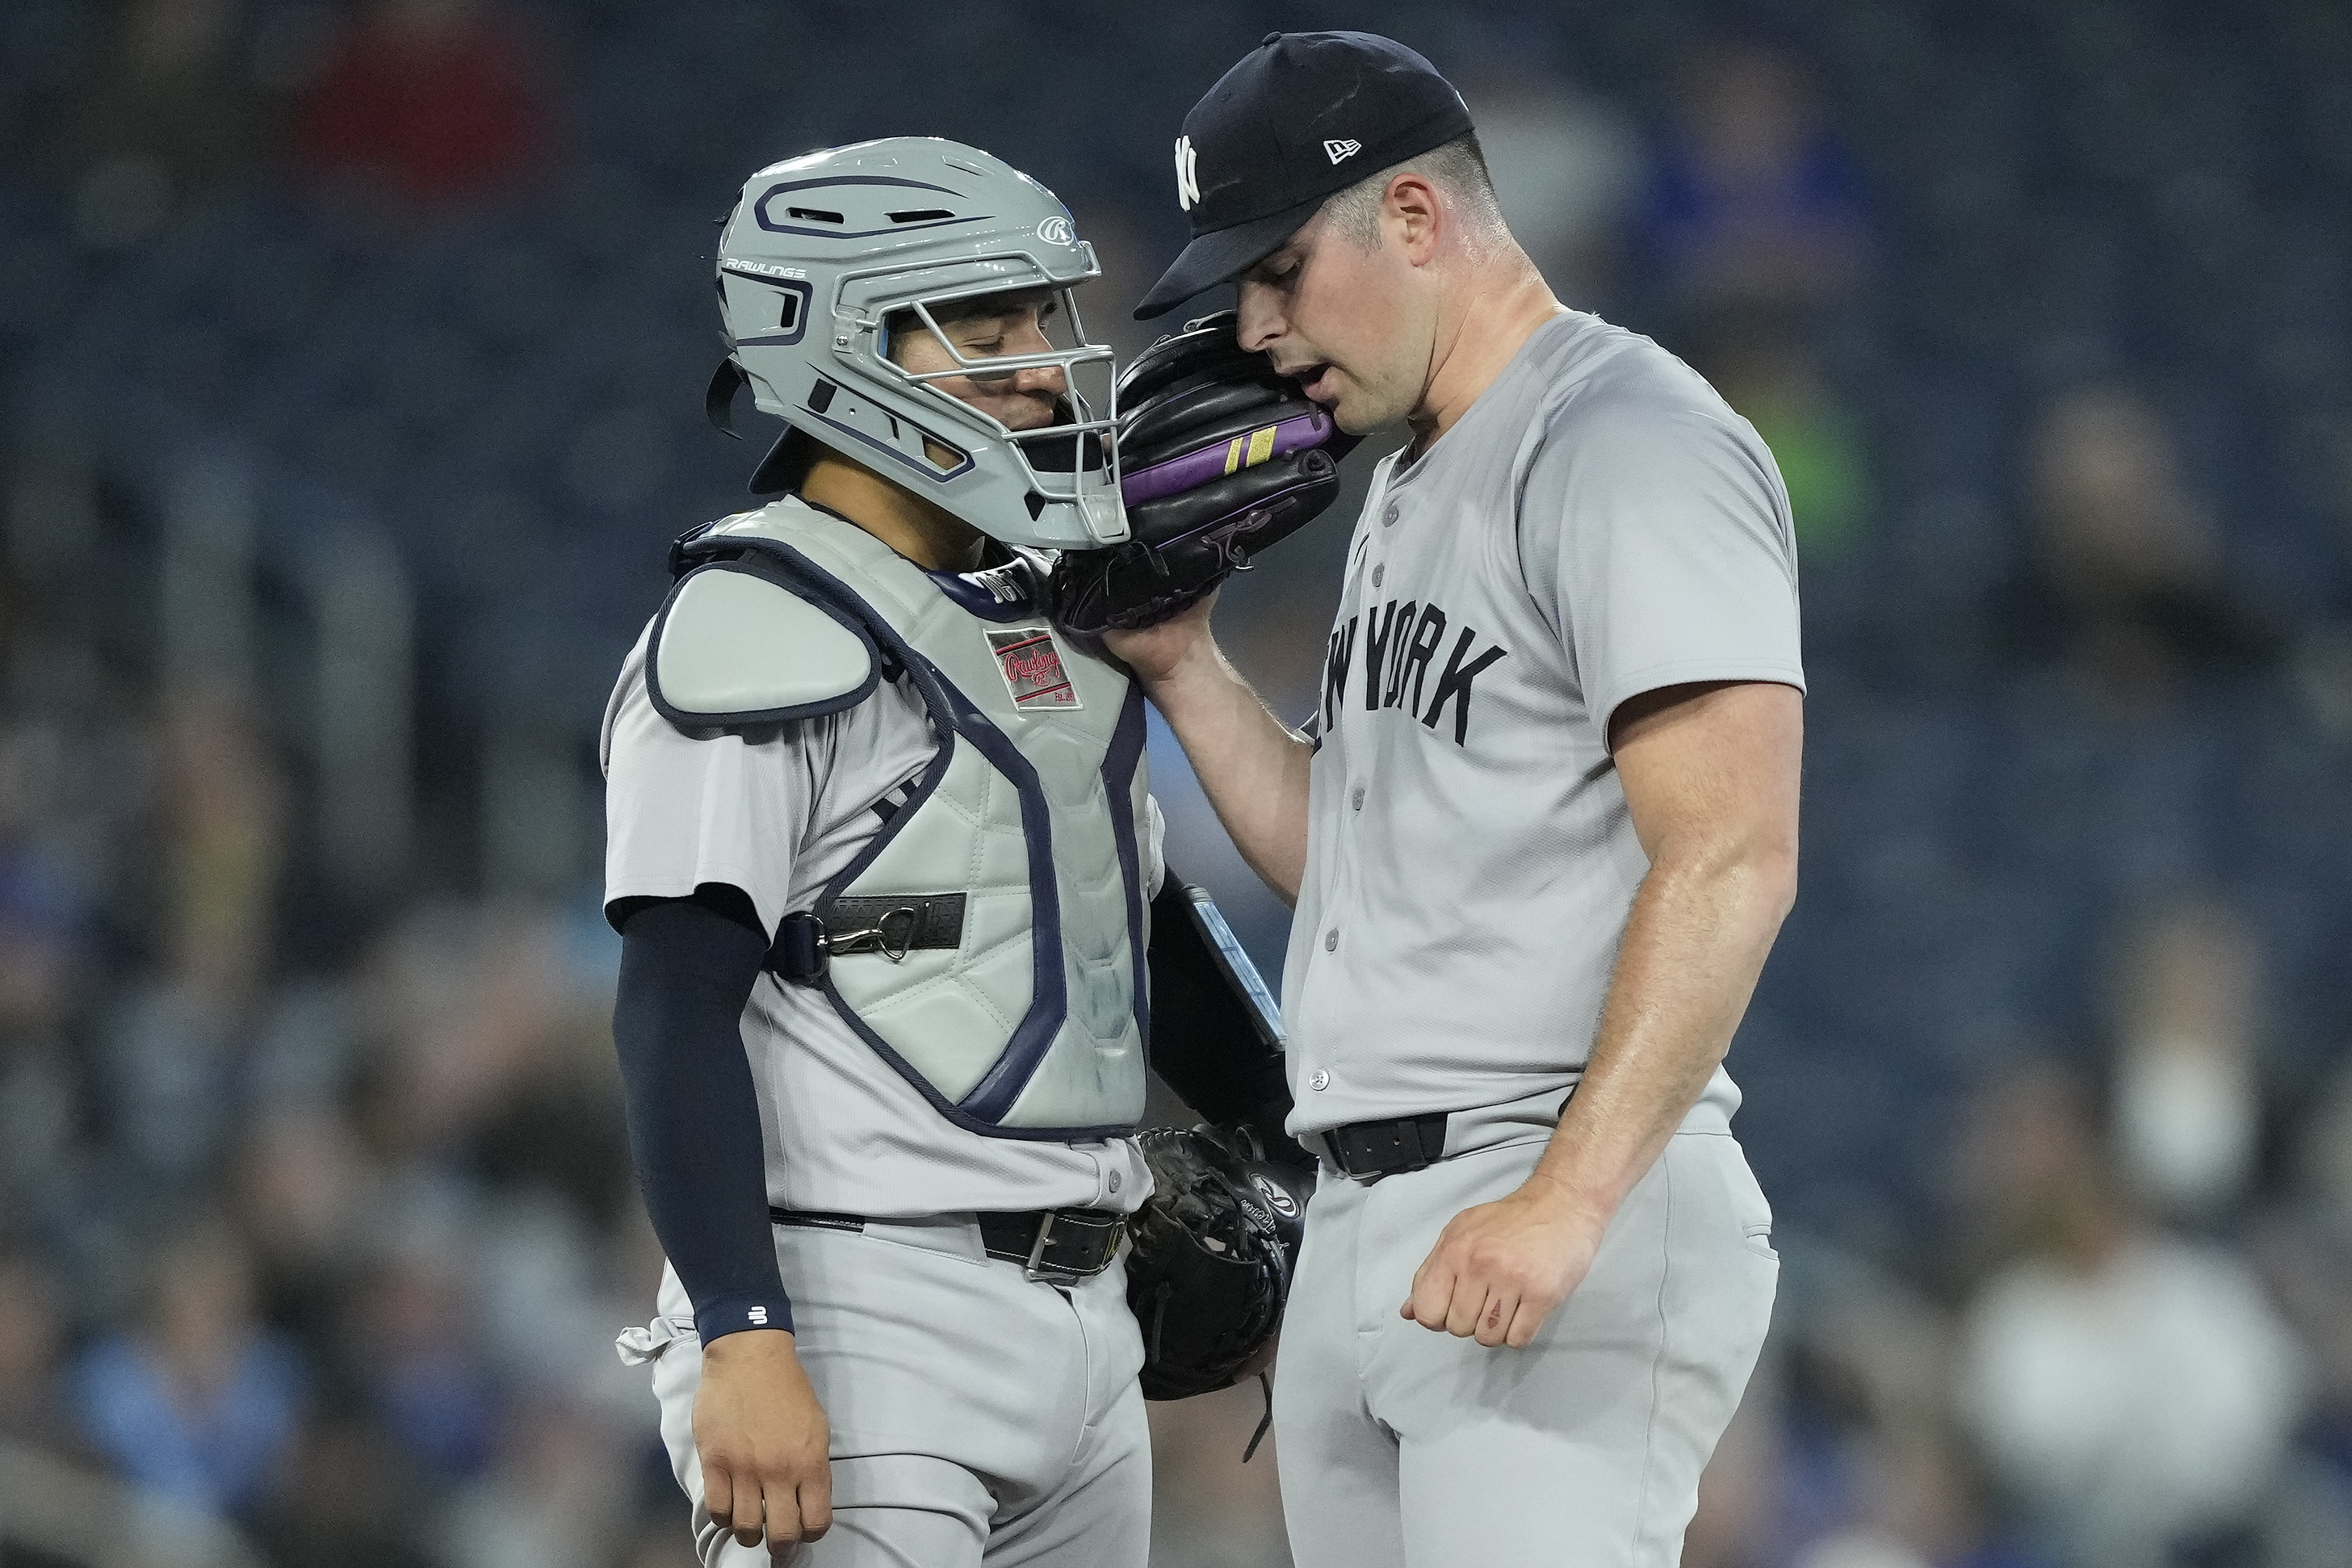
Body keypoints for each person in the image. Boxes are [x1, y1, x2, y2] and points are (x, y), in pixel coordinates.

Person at [1113, 32, 1805, 1568]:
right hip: (1374, 1211)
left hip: (1545, 1184)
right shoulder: (1413, 477)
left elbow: (1734, 854)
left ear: (1415, 218)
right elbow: (1351, 863)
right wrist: (1182, 667)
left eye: (1281, 269)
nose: (1254, 326)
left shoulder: (1629, 438)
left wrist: (1565, 1201)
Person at [602, 138, 1163, 1566]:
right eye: (991, 329)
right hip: (861, 1311)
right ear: (845, 349)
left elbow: (1131, 925)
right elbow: (673, 1006)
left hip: (1093, 1323)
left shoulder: (1042, 615)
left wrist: (1303, 1142)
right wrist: (740, 1331)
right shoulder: (751, 624)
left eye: (1042, 320)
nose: (1043, 365)